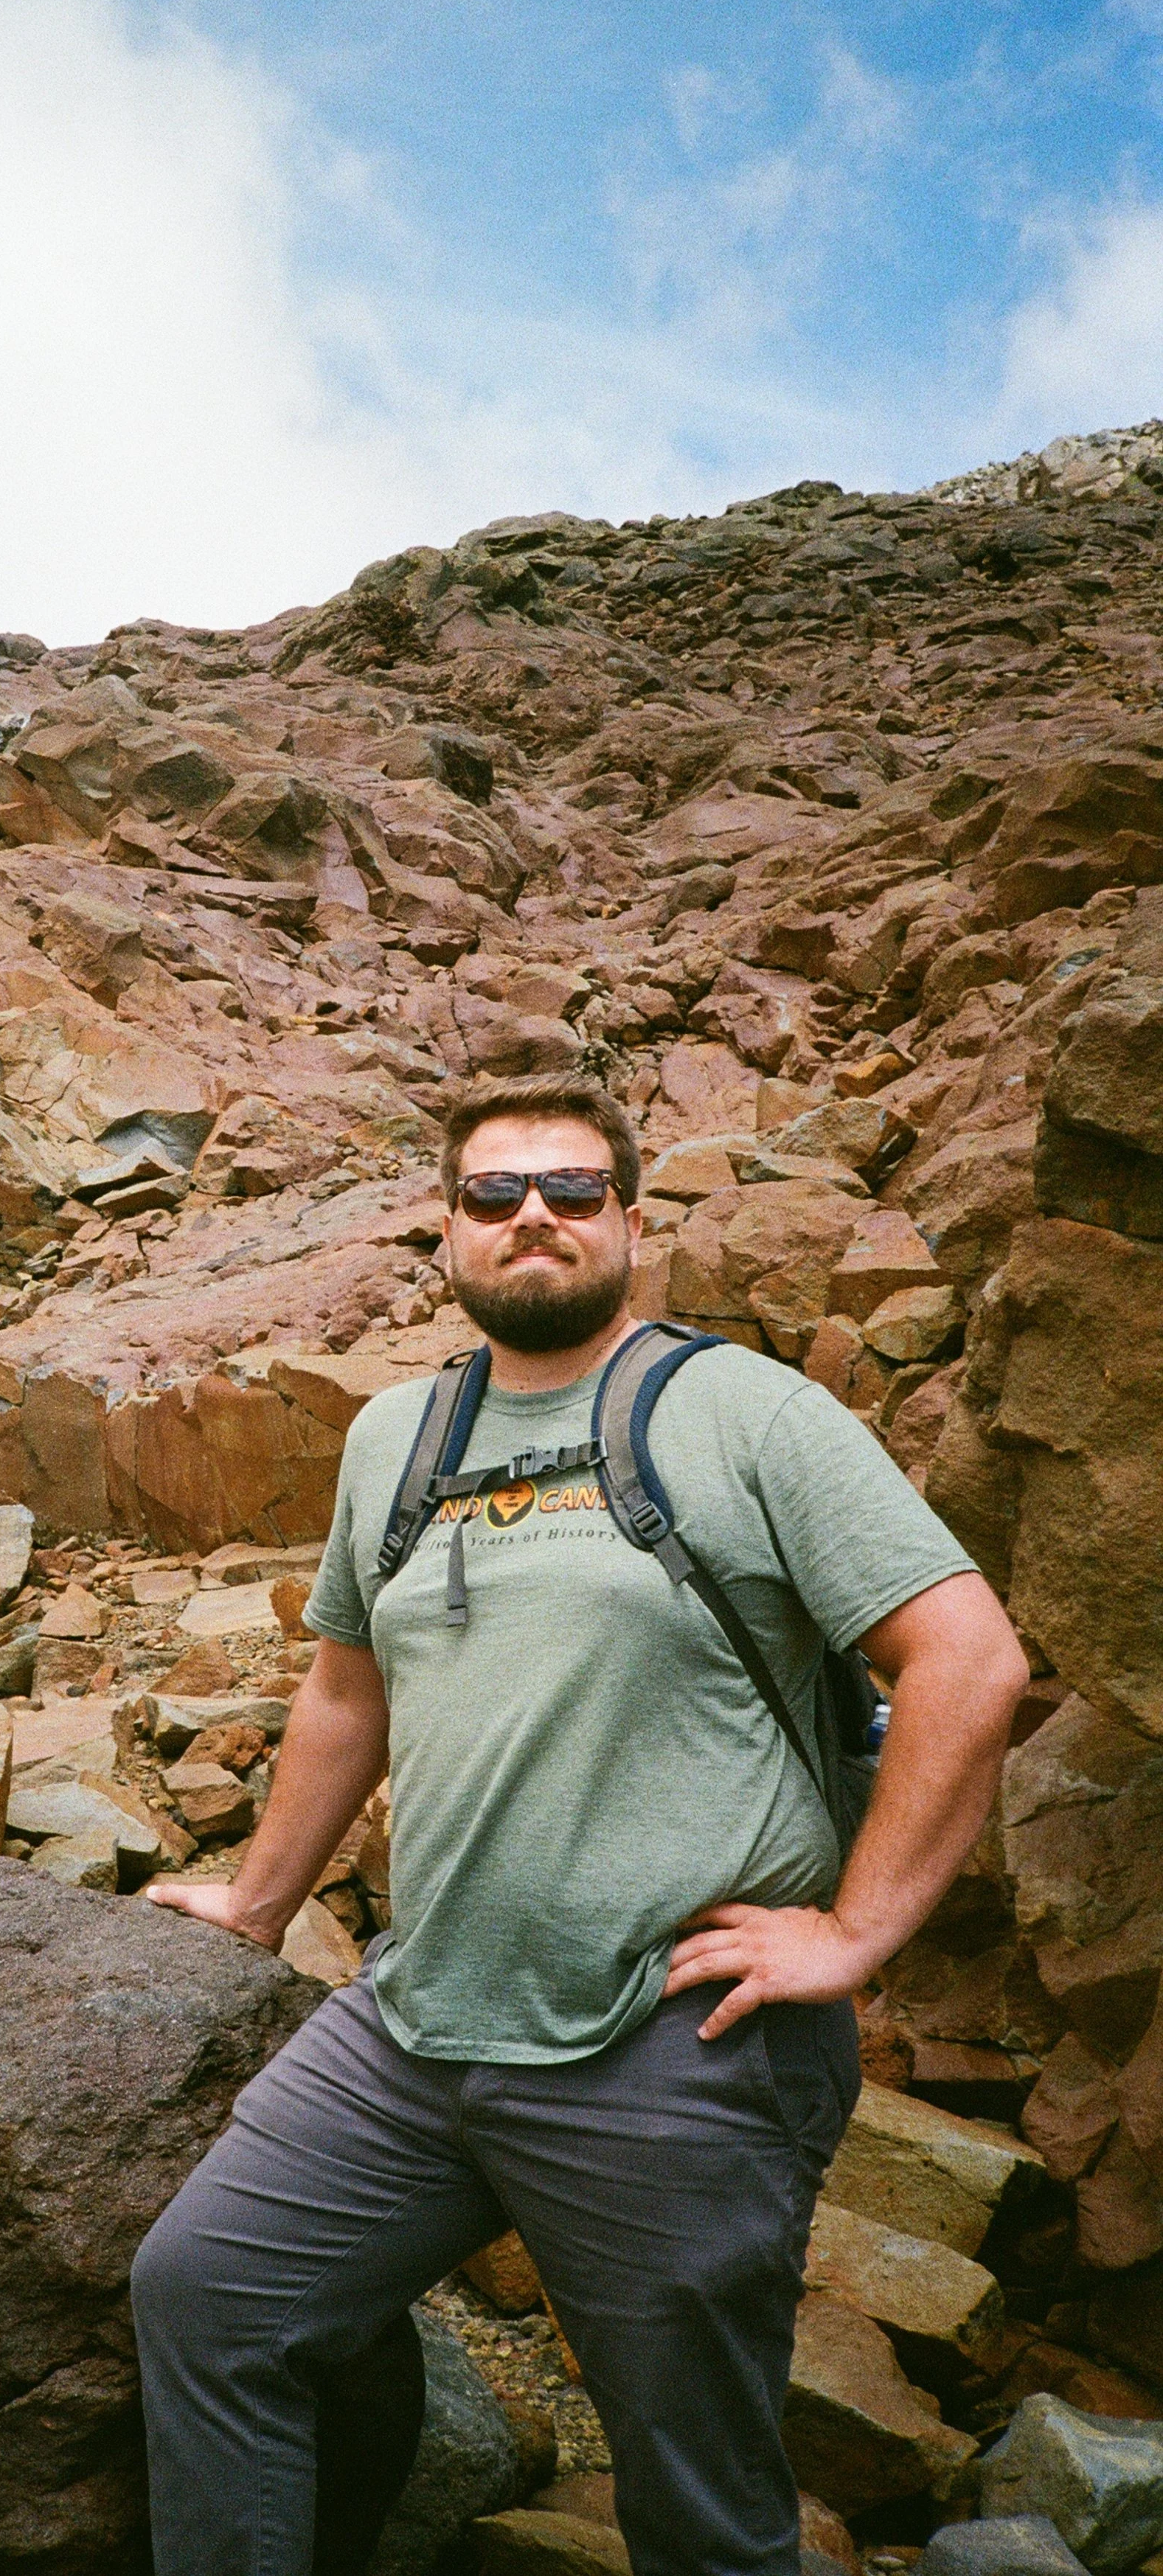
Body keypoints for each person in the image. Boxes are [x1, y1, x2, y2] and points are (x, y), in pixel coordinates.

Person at [131, 1071, 1029, 2576]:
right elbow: (346, 1692)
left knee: (690, 2489)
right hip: (417, 2021)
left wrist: (856, 1929)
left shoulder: (742, 1411)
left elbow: (967, 1657)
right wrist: (251, 1897)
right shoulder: (396, 1437)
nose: (529, 1217)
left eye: (568, 1189)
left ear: (626, 1218)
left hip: (670, 2039)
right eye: (493, 1194)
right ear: (445, 1229)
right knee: (207, 2295)